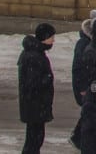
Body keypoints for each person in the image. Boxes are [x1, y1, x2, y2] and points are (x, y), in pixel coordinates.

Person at [17, 21, 56, 154]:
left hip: (35, 105)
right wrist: (48, 79)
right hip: (34, 106)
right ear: (45, 38)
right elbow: (32, 83)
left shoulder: (36, 53)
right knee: (34, 140)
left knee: (35, 139)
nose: (53, 41)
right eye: (51, 37)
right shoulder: (34, 56)